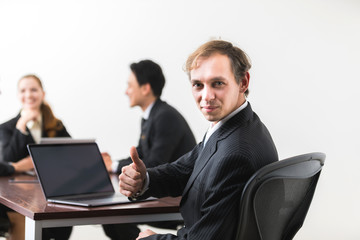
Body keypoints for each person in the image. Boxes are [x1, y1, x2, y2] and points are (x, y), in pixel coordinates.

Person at [119, 40, 279, 240]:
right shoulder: (233, 126)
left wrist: (150, 239)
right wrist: (144, 180)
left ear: (243, 82)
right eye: (198, 85)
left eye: (217, 83)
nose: (206, 96)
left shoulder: (236, 153)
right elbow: (184, 170)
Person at [102, 60, 196, 240]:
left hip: (175, 200)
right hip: (164, 196)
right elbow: (141, 153)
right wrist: (113, 164)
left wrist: (114, 166)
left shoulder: (165, 116)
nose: (126, 91)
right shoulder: (152, 115)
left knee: (113, 217)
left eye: (130, 85)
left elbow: (155, 163)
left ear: (145, 88)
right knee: (111, 217)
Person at [0, 74, 72, 240]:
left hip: (54, 192)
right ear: (18, 96)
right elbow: (7, 160)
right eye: (23, 91)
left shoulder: (56, 124)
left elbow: (70, 154)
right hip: (21, 196)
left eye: (33, 90)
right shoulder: (7, 127)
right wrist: (21, 125)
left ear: (42, 94)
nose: (29, 95)